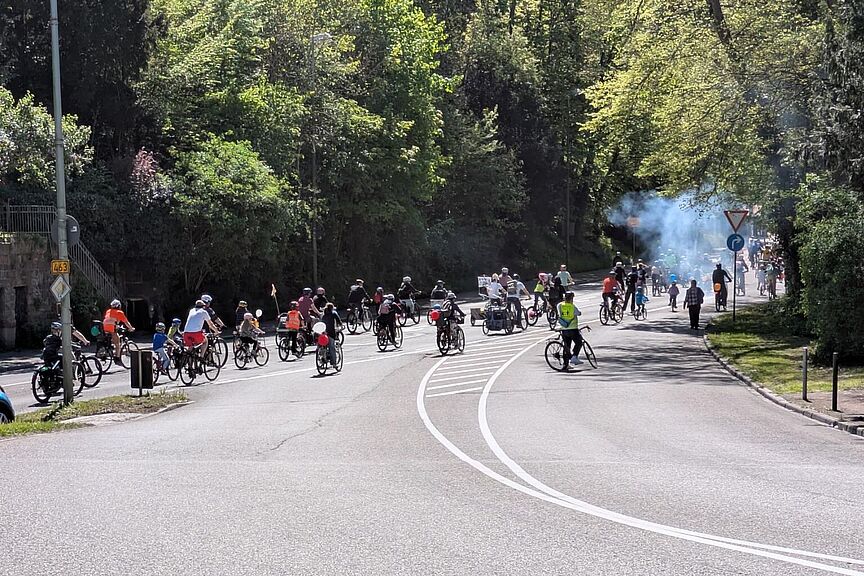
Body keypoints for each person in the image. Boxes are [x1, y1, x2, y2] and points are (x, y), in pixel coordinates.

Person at [103, 299, 135, 364]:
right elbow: (126, 322)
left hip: (105, 328)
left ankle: (109, 348)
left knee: (112, 338)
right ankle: (117, 358)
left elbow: (111, 320)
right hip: (112, 328)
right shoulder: (119, 312)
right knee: (118, 344)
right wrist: (131, 328)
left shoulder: (108, 311)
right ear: (119, 306)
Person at [556, 292, 583, 369]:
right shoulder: (572, 306)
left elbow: (559, 314)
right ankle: (574, 357)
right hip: (573, 328)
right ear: (571, 299)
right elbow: (579, 313)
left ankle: (566, 364)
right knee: (579, 343)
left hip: (564, 328)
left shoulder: (560, 305)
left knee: (567, 346)